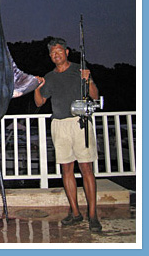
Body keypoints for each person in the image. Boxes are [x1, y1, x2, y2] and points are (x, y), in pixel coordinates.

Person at [34, 37, 102, 232]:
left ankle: (93, 215)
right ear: (50, 56)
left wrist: (87, 80)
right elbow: (40, 102)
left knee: (87, 168)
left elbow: (95, 96)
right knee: (66, 170)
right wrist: (37, 87)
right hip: (59, 124)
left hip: (80, 122)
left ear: (66, 52)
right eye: (52, 53)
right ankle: (75, 213)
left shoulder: (79, 69)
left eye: (59, 51)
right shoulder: (50, 76)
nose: (56, 55)